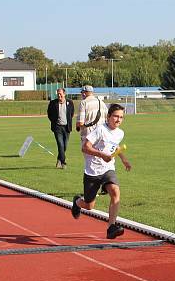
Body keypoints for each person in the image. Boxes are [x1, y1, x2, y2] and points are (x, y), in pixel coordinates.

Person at [70, 104, 132, 239]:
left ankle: (111, 227)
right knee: (89, 205)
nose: (118, 120)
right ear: (108, 116)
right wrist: (102, 155)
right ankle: (77, 202)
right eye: (116, 116)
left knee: (115, 191)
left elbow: (115, 147)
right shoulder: (100, 130)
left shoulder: (120, 133)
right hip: (92, 171)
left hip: (108, 170)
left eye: (121, 117)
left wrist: (124, 159)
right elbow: (85, 148)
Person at [46, 87, 74, 168]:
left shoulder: (70, 103)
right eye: (58, 94)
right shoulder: (53, 103)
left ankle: (59, 159)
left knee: (65, 146)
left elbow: (71, 114)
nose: (59, 95)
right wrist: (54, 121)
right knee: (60, 145)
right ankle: (63, 162)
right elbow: (49, 114)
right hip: (57, 128)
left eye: (60, 94)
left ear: (64, 94)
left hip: (67, 128)